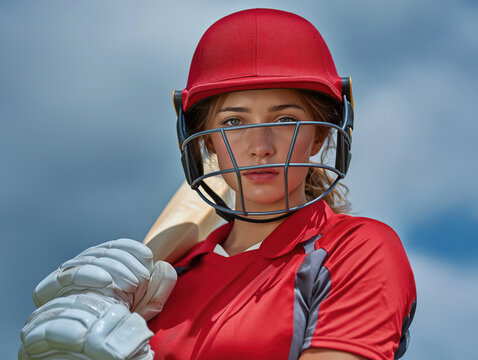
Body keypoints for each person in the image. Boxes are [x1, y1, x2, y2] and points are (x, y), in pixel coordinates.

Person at [19, 8, 416, 360]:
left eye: (285, 121)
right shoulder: (161, 280)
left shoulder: (358, 248)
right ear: (206, 140)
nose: (260, 147)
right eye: (233, 123)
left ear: (319, 136)